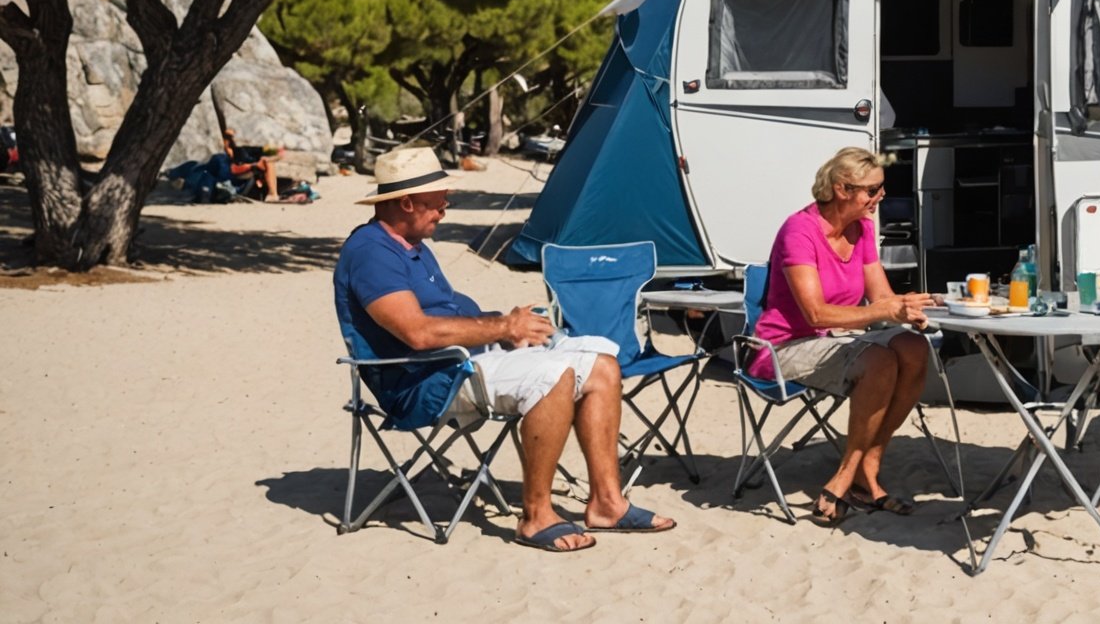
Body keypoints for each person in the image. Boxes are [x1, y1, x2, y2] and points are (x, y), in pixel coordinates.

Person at [332, 148, 674, 552]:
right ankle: (536, 516)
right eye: (438, 202)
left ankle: (607, 503)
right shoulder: (372, 253)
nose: (444, 210)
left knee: (601, 363)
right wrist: (502, 327)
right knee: (553, 376)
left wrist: (508, 325)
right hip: (425, 380)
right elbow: (418, 334)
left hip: (463, 360)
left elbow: (443, 315)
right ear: (406, 203)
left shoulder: (411, 243)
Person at [750, 146, 935, 526]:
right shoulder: (799, 231)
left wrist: (908, 308)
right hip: (784, 345)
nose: (879, 197)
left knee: (915, 348)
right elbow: (814, 313)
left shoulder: (862, 228)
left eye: (881, 189)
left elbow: (881, 297)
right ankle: (848, 477)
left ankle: (869, 466)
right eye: (871, 191)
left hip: (839, 339)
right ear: (841, 189)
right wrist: (885, 311)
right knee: (879, 360)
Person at [221, 128, 280, 202]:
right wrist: (252, 166)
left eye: (231, 137)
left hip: (249, 168)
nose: (230, 140)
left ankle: (273, 193)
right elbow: (232, 169)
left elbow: (263, 151)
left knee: (268, 162)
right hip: (236, 172)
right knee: (266, 162)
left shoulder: (241, 149)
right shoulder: (222, 155)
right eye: (227, 137)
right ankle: (272, 193)